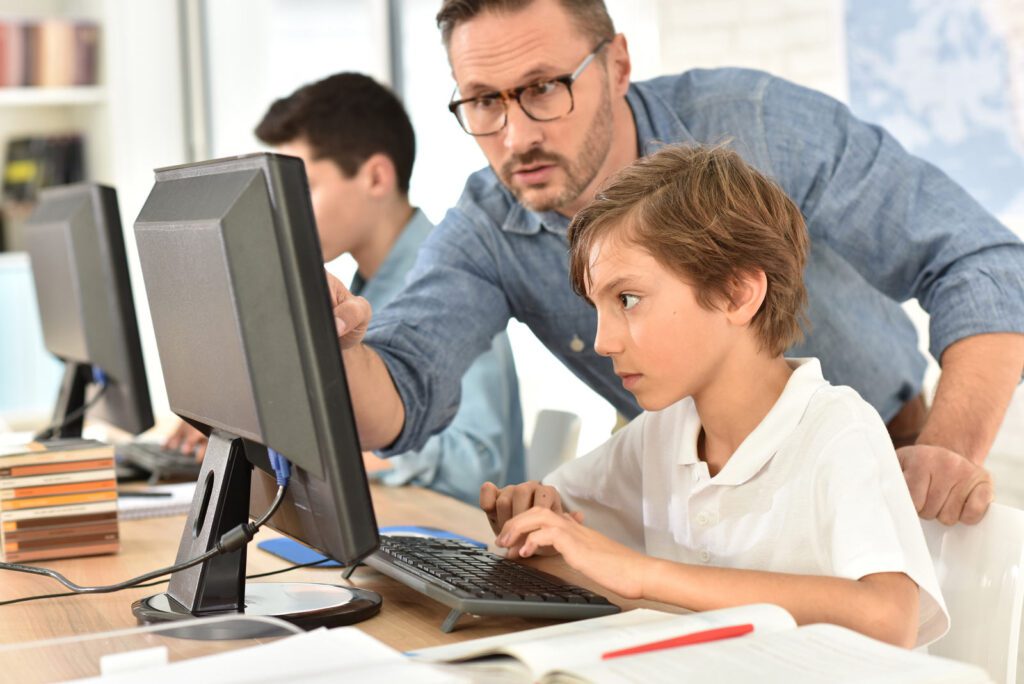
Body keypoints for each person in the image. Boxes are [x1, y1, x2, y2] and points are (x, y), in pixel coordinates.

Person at [327, 0, 1024, 525]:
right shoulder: (486, 226)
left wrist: (949, 451)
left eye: (544, 88)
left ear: (617, 65)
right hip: (697, 486)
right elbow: (400, 394)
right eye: (483, 101)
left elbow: (979, 260)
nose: (517, 137)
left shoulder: (757, 123)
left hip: (883, 456)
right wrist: (341, 348)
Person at [484, 143, 948, 647]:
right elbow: (567, 522)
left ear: (737, 294)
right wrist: (535, 515)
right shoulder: (663, 433)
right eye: (599, 306)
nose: (602, 341)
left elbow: (889, 617)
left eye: (628, 299)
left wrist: (645, 574)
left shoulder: (838, 429)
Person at [166, 72, 525, 504]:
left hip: (456, 534)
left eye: (305, 188)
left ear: (376, 177)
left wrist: (331, 451)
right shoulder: (354, 292)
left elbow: (476, 463)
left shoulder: (454, 284)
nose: (284, 213)